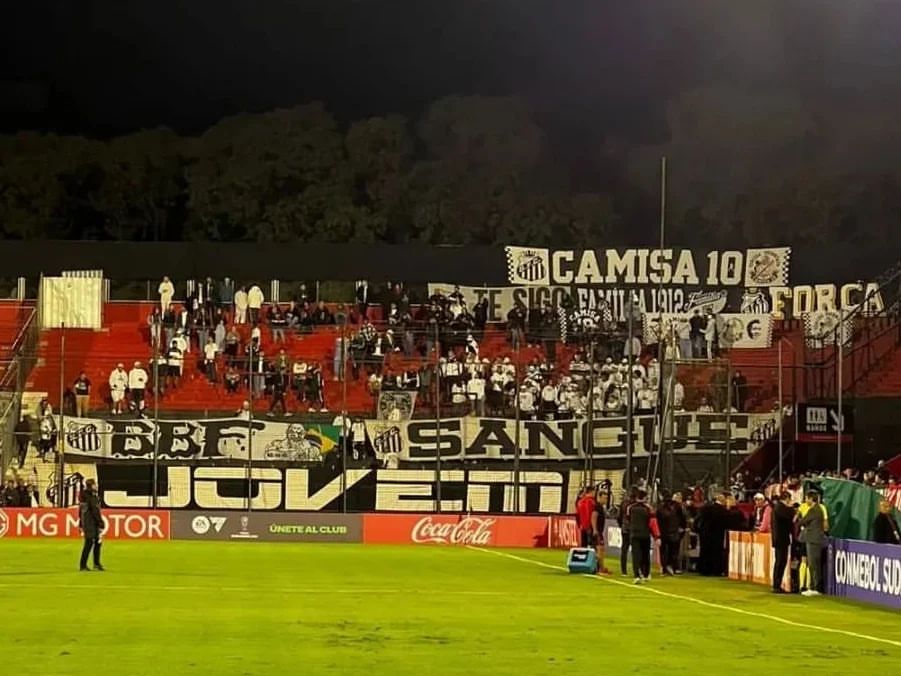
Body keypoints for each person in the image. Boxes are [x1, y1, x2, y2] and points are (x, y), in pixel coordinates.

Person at [798, 491, 828, 596]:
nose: (806, 501)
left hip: (813, 540)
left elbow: (802, 521)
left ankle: (816, 588)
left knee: (813, 564)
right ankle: (815, 587)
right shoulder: (818, 509)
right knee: (814, 564)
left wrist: (800, 518)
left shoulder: (814, 510)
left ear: (811, 499)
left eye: (807, 498)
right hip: (815, 539)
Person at [770, 492, 796, 593]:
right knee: (780, 562)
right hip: (781, 539)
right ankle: (776, 585)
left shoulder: (778, 508)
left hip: (780, 539)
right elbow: (789, 516)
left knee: (780, 561)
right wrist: (793, 509)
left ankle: (777, 584)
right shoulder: (780, 508)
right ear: (787, 498)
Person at [657, 491, 686, 575]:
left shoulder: (660, 507)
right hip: (674, 532)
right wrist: (682, 527)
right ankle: (672, 567)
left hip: (663, 532)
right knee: (673, 551)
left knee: (663, 551)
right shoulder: (677, 506)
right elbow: (683, 518)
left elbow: (657, 521)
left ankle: (664, 568)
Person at [627, 489, 653, 584]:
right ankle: (646, 574)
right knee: (646, 555)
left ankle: (637, 575)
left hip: (634, 534)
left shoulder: (630, 507)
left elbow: (628, 519)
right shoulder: (648, 508)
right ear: (645, 498)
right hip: (645, 534)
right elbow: (651, 521)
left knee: (636, 555)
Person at [79, 478, 105, 572]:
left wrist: (80, 523)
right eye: (95, 484)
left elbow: (80, 511)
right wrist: (100, 522)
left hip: (87, 522)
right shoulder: (91, 497)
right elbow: (95, 511)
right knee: (89, 543)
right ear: (91, 486)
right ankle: (84, 565)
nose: (96, 486)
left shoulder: (84, 497)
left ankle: (96, 564)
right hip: (91, 523)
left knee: (97, 542)